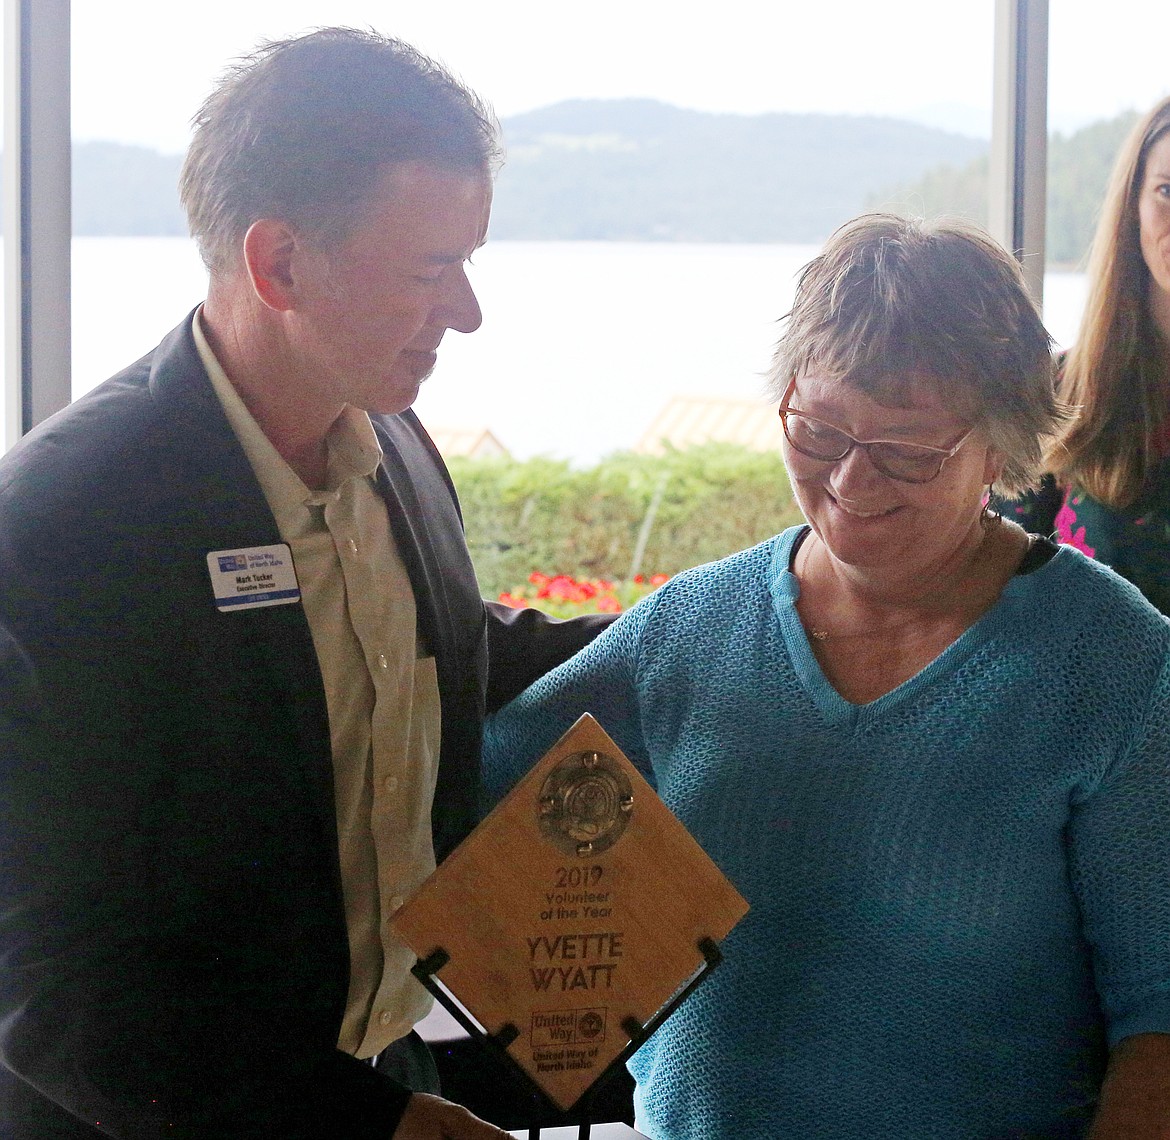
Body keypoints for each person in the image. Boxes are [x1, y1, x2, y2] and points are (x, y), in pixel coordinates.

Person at [0, 28, 609, 1140]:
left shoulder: (397, 443)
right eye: (431, 269)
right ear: (279, 262)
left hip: (383, 1067)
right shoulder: (58, 531)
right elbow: (45, 979)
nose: (467, 311)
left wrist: (759, 613)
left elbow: (457, 655)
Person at [485, 215, 1170, 1138]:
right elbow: (452, 803)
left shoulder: (1112, 665)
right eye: (817, 430)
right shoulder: (688, 632)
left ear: (1002, 452)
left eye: (907, 449)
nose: (850, 479)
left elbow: (1158, 1023)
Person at [1000, 96, 1170, 613]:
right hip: (1082, 693)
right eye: (1168, 190)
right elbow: (988, 589)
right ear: (1133, 206)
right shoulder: (1058, 392)